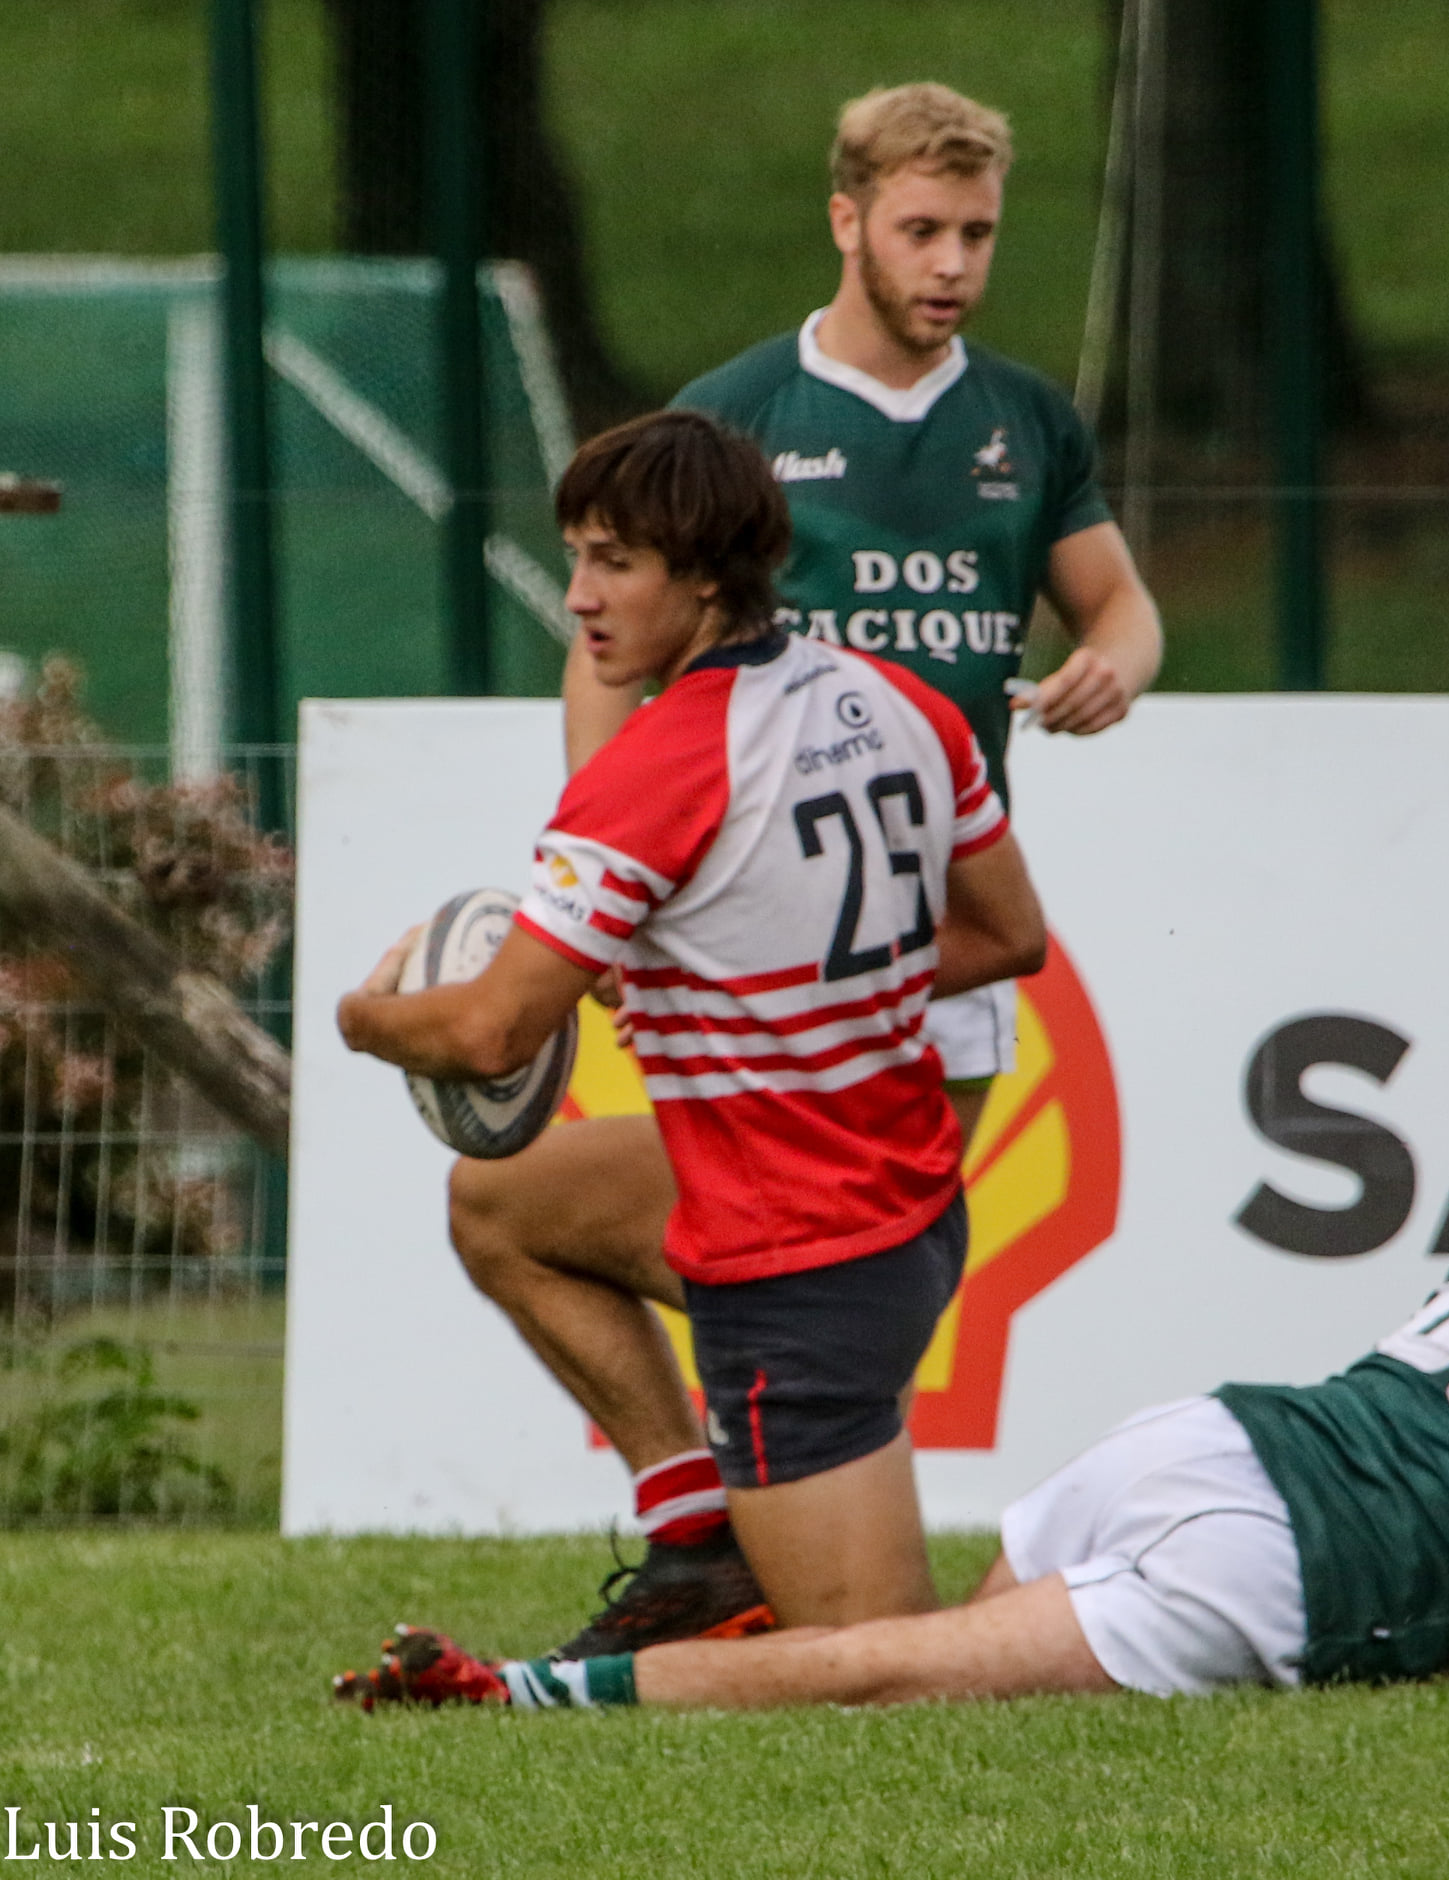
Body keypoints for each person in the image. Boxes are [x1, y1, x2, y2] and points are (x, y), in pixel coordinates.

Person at [447, 81, 1162, 1656]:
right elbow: (606, 648)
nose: (952, 263)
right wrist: (599, 853)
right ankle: (711, 1530)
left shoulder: (1023, 421)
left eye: (977, 233)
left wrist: (1118, 660)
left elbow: (1118, 605)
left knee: (824, 1280)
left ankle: (802, 1543)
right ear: (846, 220)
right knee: (710, 1251)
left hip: (927, 951)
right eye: (921, 229)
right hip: (758, 944)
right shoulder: (738, 413)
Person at [339, 411, 1046, 1654]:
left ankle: (1127, 1602)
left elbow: (493, 1032)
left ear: (710, 576)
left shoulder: (657, 765)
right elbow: (1007, 935)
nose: (579, 595)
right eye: (577, 555)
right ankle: (694, 1537)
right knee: (503, 1202)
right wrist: (768, 976)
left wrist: (363, 1017)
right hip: (897, 1192)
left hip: (801, 1251)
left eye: (614, 562)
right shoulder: (902, 700)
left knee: (879, 1668)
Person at [336, 1213, 1449, 1710]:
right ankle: (513, 1690)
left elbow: (1444, 1437)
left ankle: (661, 1641)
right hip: (1274, 1569)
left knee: (930, 1668)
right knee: (893, 1675)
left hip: (1208, 1437)